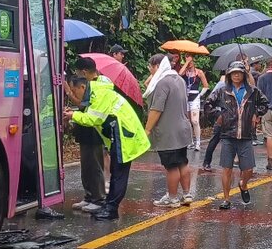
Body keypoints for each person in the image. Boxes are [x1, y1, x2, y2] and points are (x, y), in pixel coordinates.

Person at [63, 73, 149, 220]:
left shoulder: (99, 94)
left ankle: (111, 209)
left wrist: (73, 116)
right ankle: (109, 205)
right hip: (120, 133)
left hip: (124, 134)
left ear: (82, 86)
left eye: (74, 90)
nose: (74, 94)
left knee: (119, 173)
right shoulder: (96, 92)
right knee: (117, 171)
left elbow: (93, 118)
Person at [204, 62, 268, 209]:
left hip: (246, 135)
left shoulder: (253, 91)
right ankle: (226, 199)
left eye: (239, 72)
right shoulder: (222, 91)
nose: (236, 75)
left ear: (244, 74)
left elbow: (265, 103)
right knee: (227, 168)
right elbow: (208, 104)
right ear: (229, 75)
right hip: (227, 134)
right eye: (233, 73)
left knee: (248, 169)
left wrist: (256, 113)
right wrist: (218, 115)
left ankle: (243, 184)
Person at [144, 53, 193, 207]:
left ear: (157, 66)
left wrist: (147, 129)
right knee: (182, 163)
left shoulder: (162, 83)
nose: (150, 70)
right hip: (182, 129)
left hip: (168, 132)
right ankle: (186, 195)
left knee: (171, 166)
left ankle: (172, 198)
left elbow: (156, 109)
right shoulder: (178, 79)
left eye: (151, 67)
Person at [68, 57, 114, 212]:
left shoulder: (96, 87)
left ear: (84, 72)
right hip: (85, 128)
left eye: (78, 72)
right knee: (86, 165)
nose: (77, 74)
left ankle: (98, 198)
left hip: (94, 129)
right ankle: (89, 196)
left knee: (94, 165)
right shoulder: (96, 83)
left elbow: (84, 106)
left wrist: (69, 93)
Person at [178, 55, 207, 151]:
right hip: (186, 97)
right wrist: (186, 63)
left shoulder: (199, 72)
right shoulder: (185, 72)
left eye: (190, 62)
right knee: (188, 121)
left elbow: (205, 86)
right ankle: (190, 141)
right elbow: (179, 74)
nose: (189, 64)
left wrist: (200, 95)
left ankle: (198, 142)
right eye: (187, 62)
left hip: (195, 97)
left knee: (195, 121)